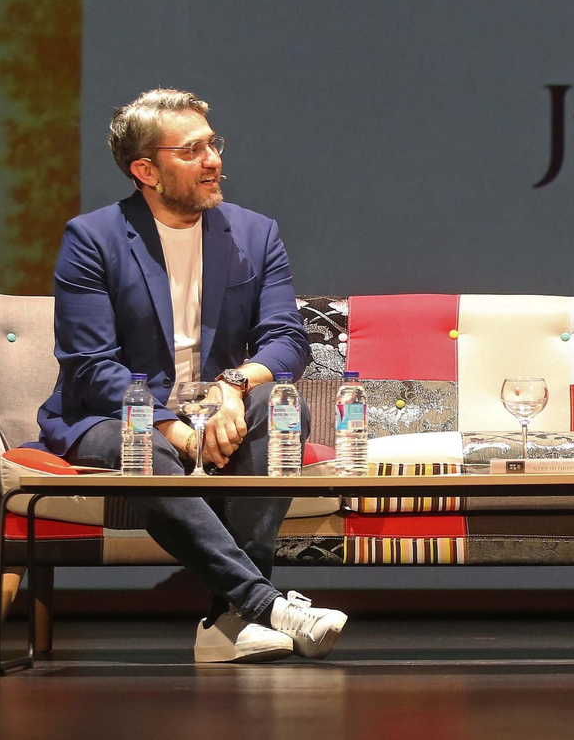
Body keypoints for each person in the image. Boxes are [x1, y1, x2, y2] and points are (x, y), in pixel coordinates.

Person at [35, 88, 348, 663]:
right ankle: (264, 605)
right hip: (114, 414)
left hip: (217, 407)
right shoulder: (93, 239)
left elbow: (287, 339)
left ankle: (230, 618)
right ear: (145, 170)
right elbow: (90, 365)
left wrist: (233, 386)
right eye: (193, 149)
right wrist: (173, 427)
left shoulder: (255, 234)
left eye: (213, 143)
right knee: (139, 446)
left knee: (284, 410)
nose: (214, 160)